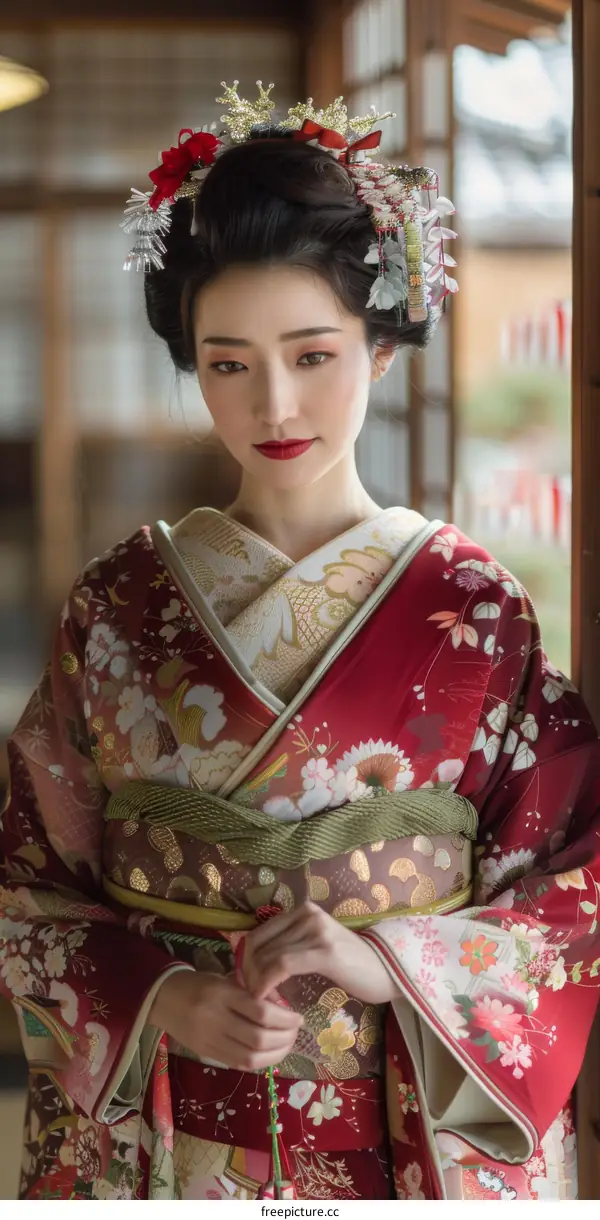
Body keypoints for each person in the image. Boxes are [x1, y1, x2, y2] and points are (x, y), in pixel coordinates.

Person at [1, 82, 599, 1203]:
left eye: (313, 354)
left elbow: (571, 889)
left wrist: (389, 963)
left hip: (397, 1139)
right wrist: (157, 995)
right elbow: (31, 879)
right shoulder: (120, 603)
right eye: (229, 363)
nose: (274, 402)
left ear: (379, 347)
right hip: (169, 1138)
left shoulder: (476, 605)